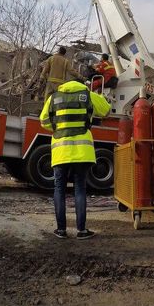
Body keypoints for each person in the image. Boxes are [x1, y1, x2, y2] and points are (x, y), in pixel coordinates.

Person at [40, 79, 111, 239]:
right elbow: (107, 110)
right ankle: (82, 230)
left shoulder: (53, 97)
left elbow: (44, 121)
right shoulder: (88, 94)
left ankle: (61, 230)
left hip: (60, 150)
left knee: (59, 188)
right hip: (82, 151)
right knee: (80, 188)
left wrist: (59, 127)